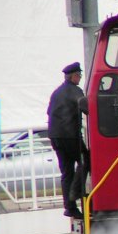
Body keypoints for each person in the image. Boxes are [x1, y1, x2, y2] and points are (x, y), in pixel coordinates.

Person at [47, 62, 86, 219]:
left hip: (55, 137)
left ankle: (69, 207)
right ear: (74, 76)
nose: (80, 78)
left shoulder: (56, 92)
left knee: (66, 171)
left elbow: (49, 111)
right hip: (70, 136)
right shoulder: (75, 91)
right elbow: (87, 107)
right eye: (79, 76)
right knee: (86, 160)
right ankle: (75, 193)